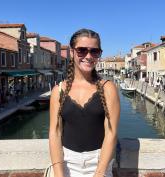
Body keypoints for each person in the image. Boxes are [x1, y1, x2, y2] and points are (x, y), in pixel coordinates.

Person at [49, 28, 120, 177]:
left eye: (94, 51)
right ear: (72, 52)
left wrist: (100, 173)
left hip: (100, 162)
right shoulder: (58, 91)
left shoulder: (108, 88)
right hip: (67, 163)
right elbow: (55, 133)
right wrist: (58, 173)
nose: (88, 56)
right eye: (82, 50)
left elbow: (111, 133)